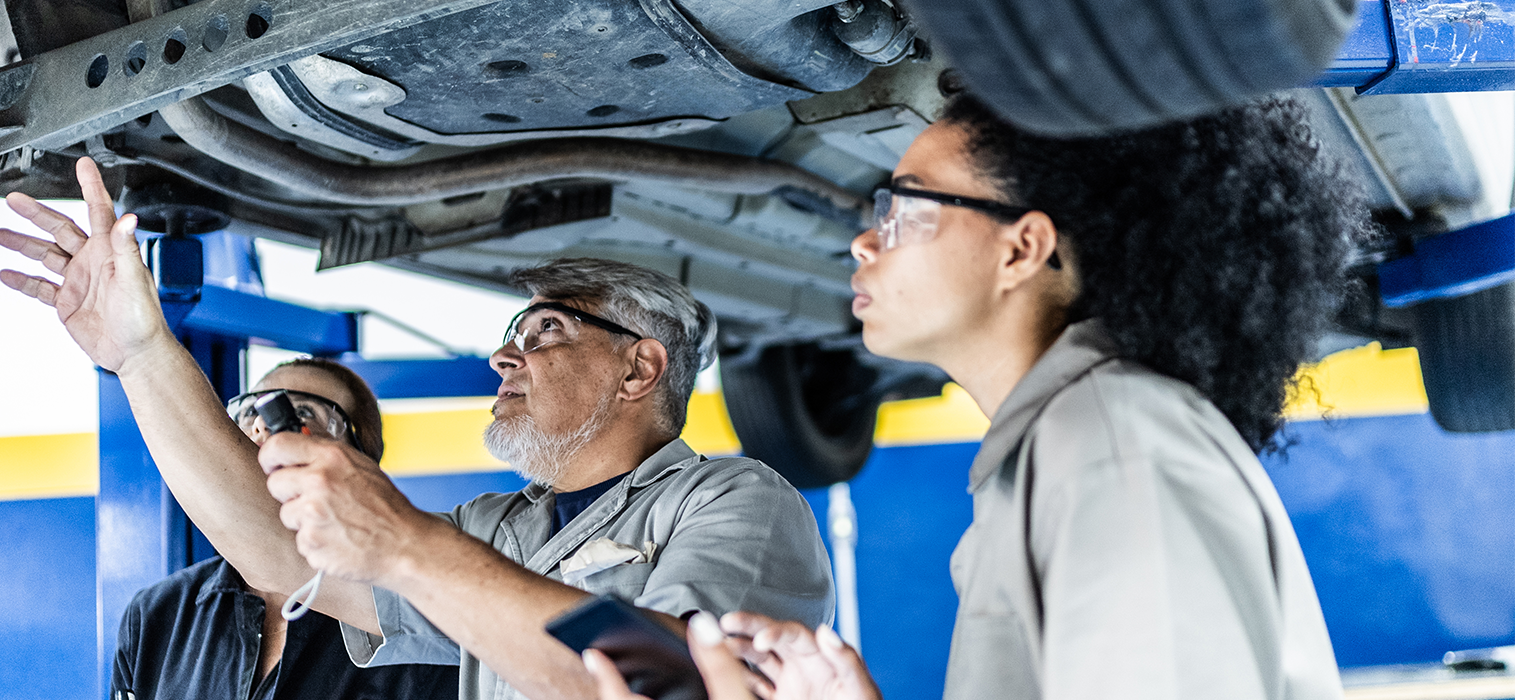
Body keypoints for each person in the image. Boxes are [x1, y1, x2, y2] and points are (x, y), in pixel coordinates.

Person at [586, 94, 1369, 700]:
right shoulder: (1072, 445)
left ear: (1022, 248)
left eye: (905, 210)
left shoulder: (1118, 447)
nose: (865, 241)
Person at [0, 168, 834, 700]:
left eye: (544, 332)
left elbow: (659, 684)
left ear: (639, 370)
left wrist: (405, 544)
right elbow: (278, 558)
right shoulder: (498, 529)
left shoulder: (732, 499)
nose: (506, 354)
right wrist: (141, 354)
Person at [112, 357, 460, 700]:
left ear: (361, 462)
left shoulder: (416, 619)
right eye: (250, 411)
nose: (263, 425)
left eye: (304, 412)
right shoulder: (157, 614)